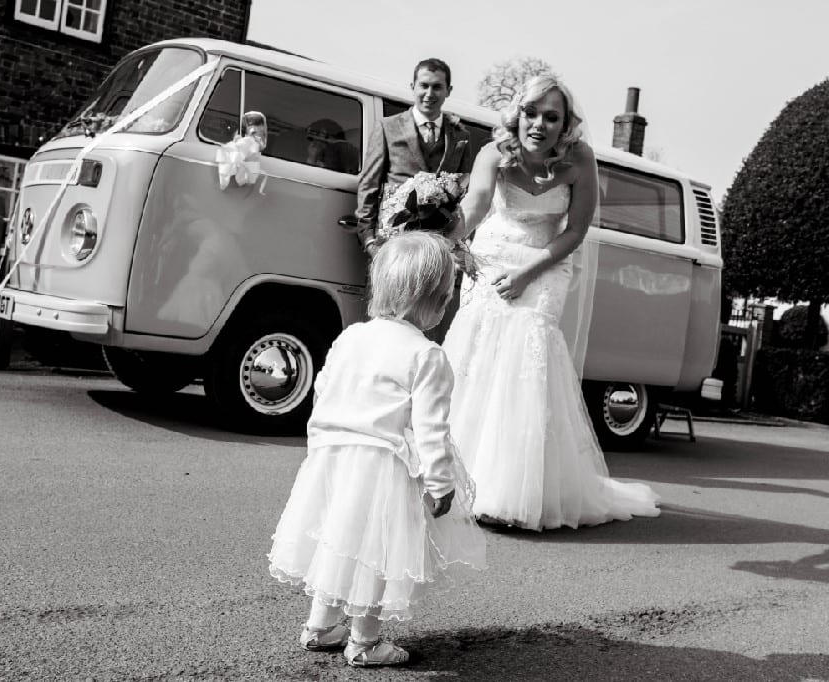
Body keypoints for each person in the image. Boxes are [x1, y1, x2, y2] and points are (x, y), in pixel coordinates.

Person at [442, 75, 661, 531]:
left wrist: (527, 273)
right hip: (494, 256)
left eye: (551, 117)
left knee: (528, 351)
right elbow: (476, 207)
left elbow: (575, 231)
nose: (539, 124)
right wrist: (432, 236)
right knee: (478, 357)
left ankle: (513, 489)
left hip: (547, 262)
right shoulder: (493, 154)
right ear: (517, 113)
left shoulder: (580, 160)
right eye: (531, 112)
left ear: (565, 125)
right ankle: (456, 477)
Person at [268, 231, 486, 667]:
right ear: (435, 300)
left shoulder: (350, 338)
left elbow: (323, 393)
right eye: (445, 300)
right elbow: (431, 430)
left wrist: (318, 449)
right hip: (382, 466)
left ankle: (320, 626)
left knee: (339, 543)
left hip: (333, 455)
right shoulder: (426, 354)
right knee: (374, 555)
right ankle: (364, 643)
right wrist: (441, 483)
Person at [353, 58, 475, 342]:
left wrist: (456, 245)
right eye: (424, 85)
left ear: (448, 90)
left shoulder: (460, 136)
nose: (429, 93)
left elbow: (463, 193)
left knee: (428, 320)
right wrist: (370, 242)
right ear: (413, 86)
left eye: (437, 87)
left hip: (436, 249)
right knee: (385, 318)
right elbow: (369, 186)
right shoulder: (388, 127)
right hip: (392, 244)